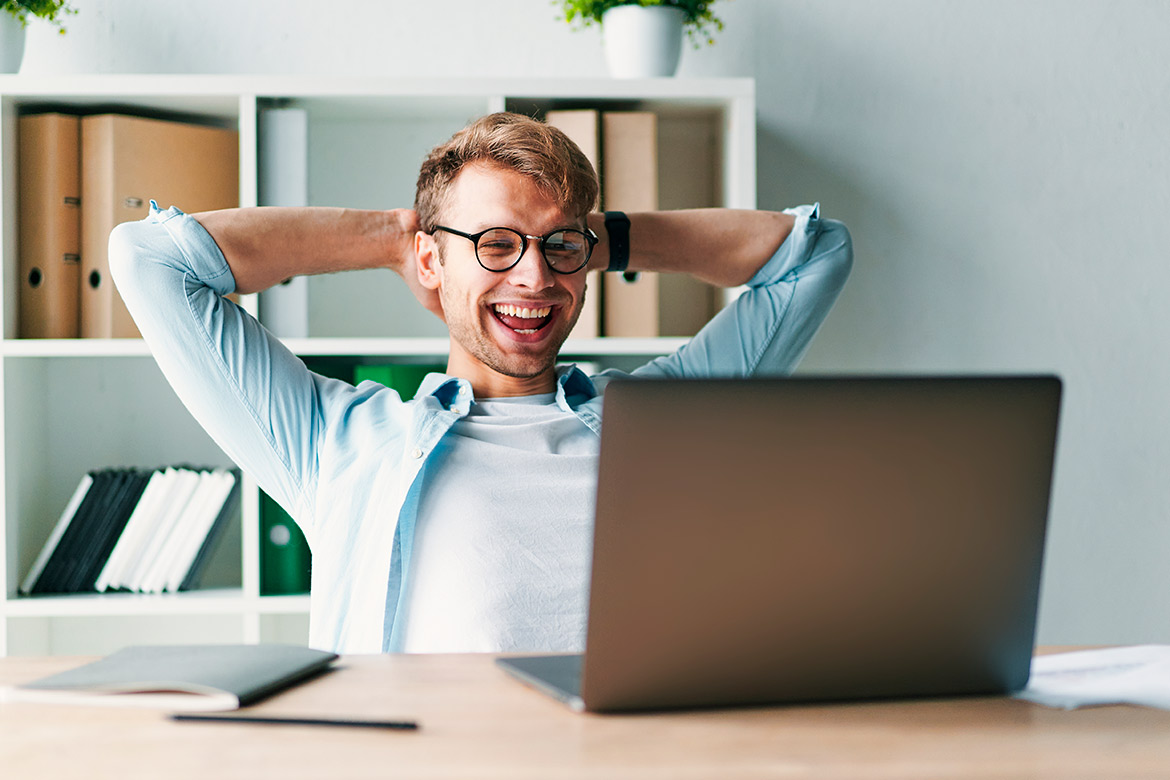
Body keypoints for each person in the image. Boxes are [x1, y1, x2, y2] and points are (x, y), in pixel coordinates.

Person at [109, 112, 853, 655]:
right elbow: (149, 260)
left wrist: (600, 237)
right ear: (433, 263)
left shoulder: (664, 418)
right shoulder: (337, 445)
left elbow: (816, 255)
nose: (534, 277)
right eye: (495, 244)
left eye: (558, 246)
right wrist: (394, 235)